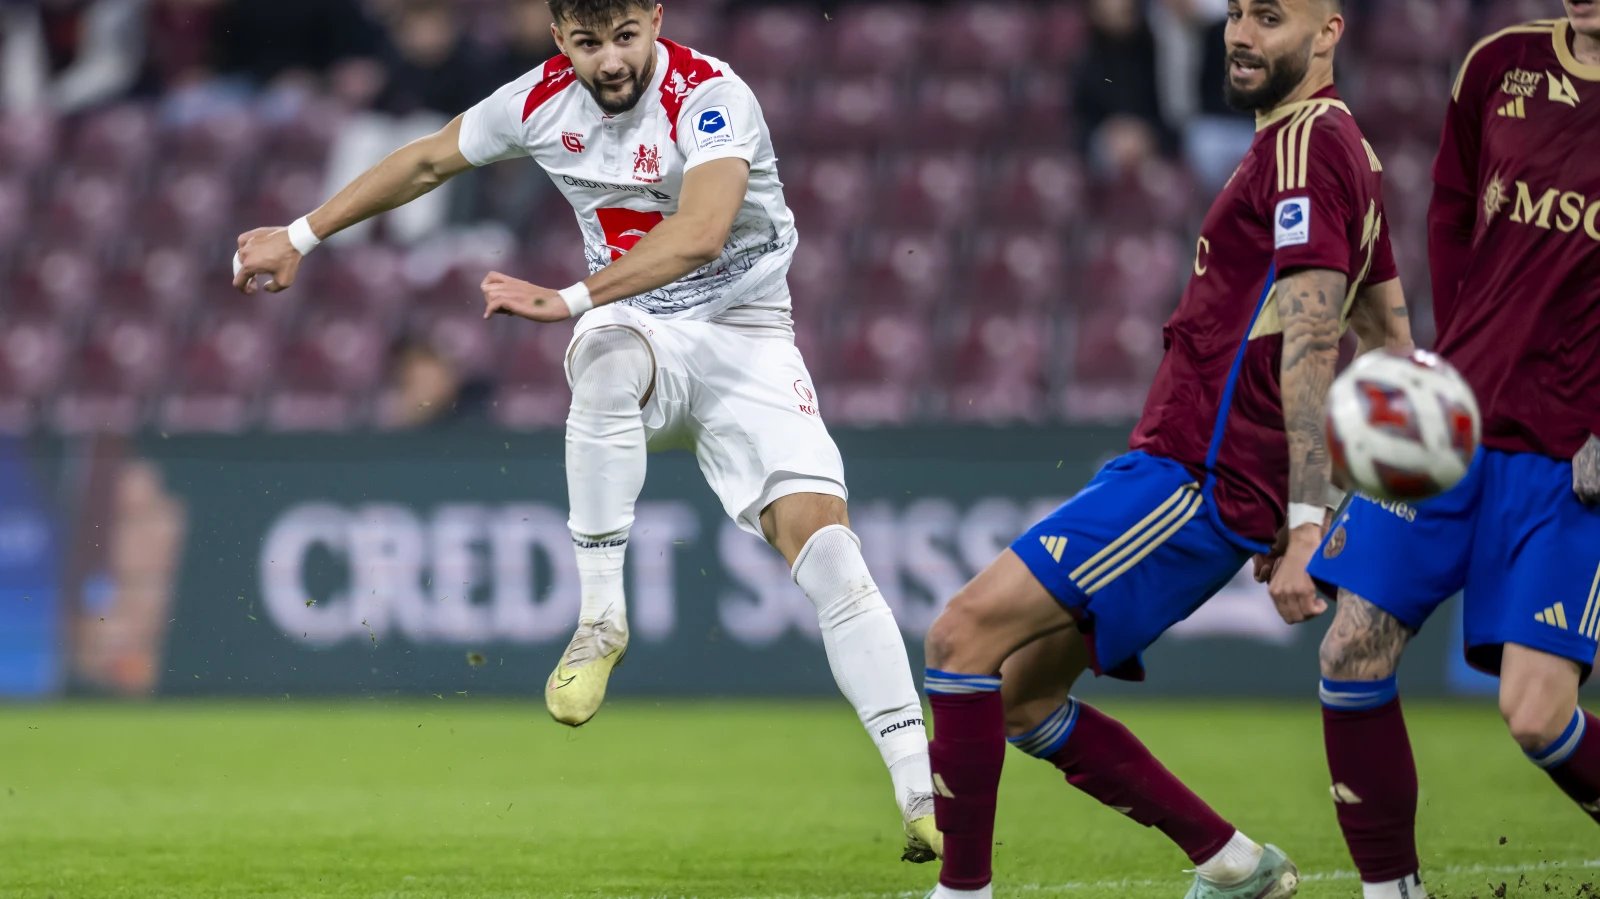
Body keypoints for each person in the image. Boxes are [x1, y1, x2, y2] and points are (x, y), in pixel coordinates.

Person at [230, 0, 940, 864]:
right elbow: (425, 161)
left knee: (831, 555)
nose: (610, 61)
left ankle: (919, 792)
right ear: (558, 38)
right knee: (603, 357)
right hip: (637, 327)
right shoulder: (536, 101)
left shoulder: (710, 96)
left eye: (626, 37)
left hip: (748, 338)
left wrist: (564, 298)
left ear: (656, 20)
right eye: (588, 42)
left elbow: (701, 233)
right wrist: (300, 234)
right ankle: (602, 618)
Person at [918, 2, 1409, 898]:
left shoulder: (1306, 147)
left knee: (960, 635)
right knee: (1022, 695)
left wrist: (1306, 518)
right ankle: (1231, 862)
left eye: (1271, 16)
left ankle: (961, 894)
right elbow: (1389, 347)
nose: (1241, 34)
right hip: (1198, 468)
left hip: (1196, 477)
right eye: (1236, 12)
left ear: (1329, 31)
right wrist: (1313, 495)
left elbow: (1315, 342)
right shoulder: (1344, 152)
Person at [1303, 5, 1600, 897]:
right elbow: (1454, 209)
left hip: (1569, 457)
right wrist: (1449, 358)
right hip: (1454, 425)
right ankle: (1390, 891)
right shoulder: (1499, 65)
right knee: (1349, 651)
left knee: (1537, 713)